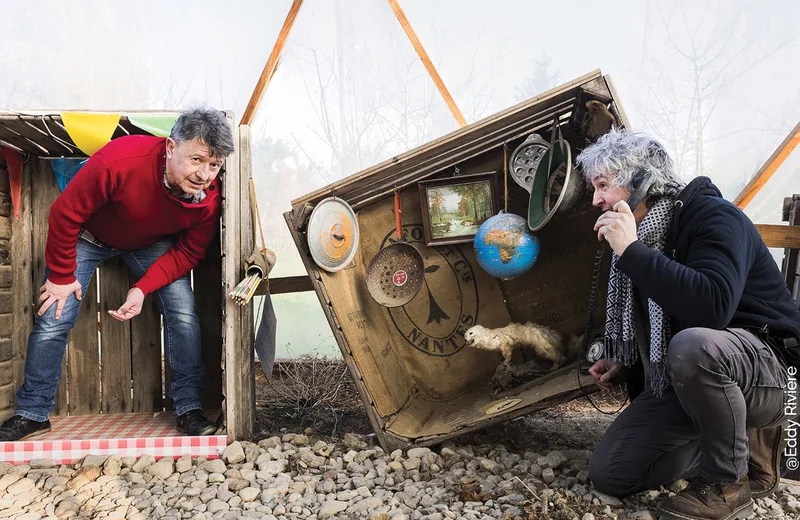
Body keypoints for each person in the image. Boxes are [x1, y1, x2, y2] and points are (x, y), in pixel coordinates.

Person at [578, 128, 800, 520]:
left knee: (695, 345)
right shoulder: (647, 237)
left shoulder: (715, 217)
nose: (596, 199)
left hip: (772, 369)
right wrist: (625, 363)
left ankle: (728, 485)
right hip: (701, 376)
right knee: (611, 472)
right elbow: (665, 320)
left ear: (641, 180)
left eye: (602, 185)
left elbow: (709, 310)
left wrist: (632, 251)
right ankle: (733, 443)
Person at [0, 107, 234, 440]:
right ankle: (33, 412)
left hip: (148, 244)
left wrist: (142, 288)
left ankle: (188, 408)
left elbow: (188, 253)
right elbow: (65, 214)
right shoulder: (121, 160)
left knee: (182, 309)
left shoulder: (208, 200)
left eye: (214, 165)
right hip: (89, 236)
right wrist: (63, 277)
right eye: (196, 159)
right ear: (170, 147)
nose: (205, 174)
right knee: (55, 311)